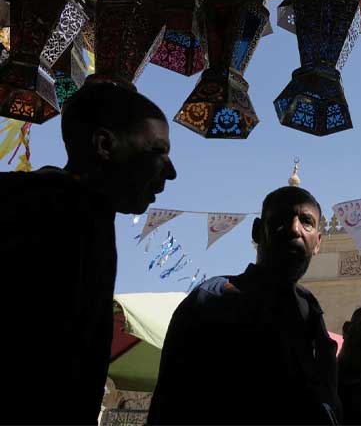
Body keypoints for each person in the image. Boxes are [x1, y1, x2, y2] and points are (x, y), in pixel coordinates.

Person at [0, 82, 177, 424]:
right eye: (158, 151)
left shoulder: (88, 216)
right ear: (105, 144)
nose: (170, 171)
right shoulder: (44, 213)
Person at [147, 186, 341, 425]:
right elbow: (170, 403)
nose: (294, 229)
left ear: (318, 243)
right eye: (281, 219)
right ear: (258, 231)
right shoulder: (213, 298)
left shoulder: (310, 312)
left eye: (307, 222)